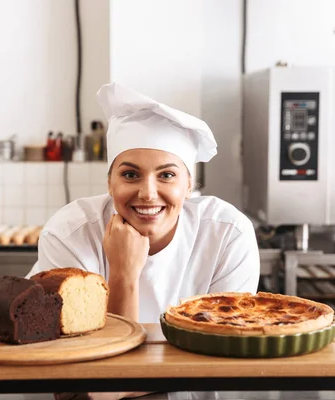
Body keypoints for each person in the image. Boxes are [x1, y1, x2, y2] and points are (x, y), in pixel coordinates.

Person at [25, 82, 260, 400]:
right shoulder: (70, 233)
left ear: (189, 185)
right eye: (130, 175)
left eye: (167, 175)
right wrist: (123, 273)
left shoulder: (227, 234)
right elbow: (84, 376)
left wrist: (119, 383)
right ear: (109, 182)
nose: (148, 193)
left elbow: (224, 352)